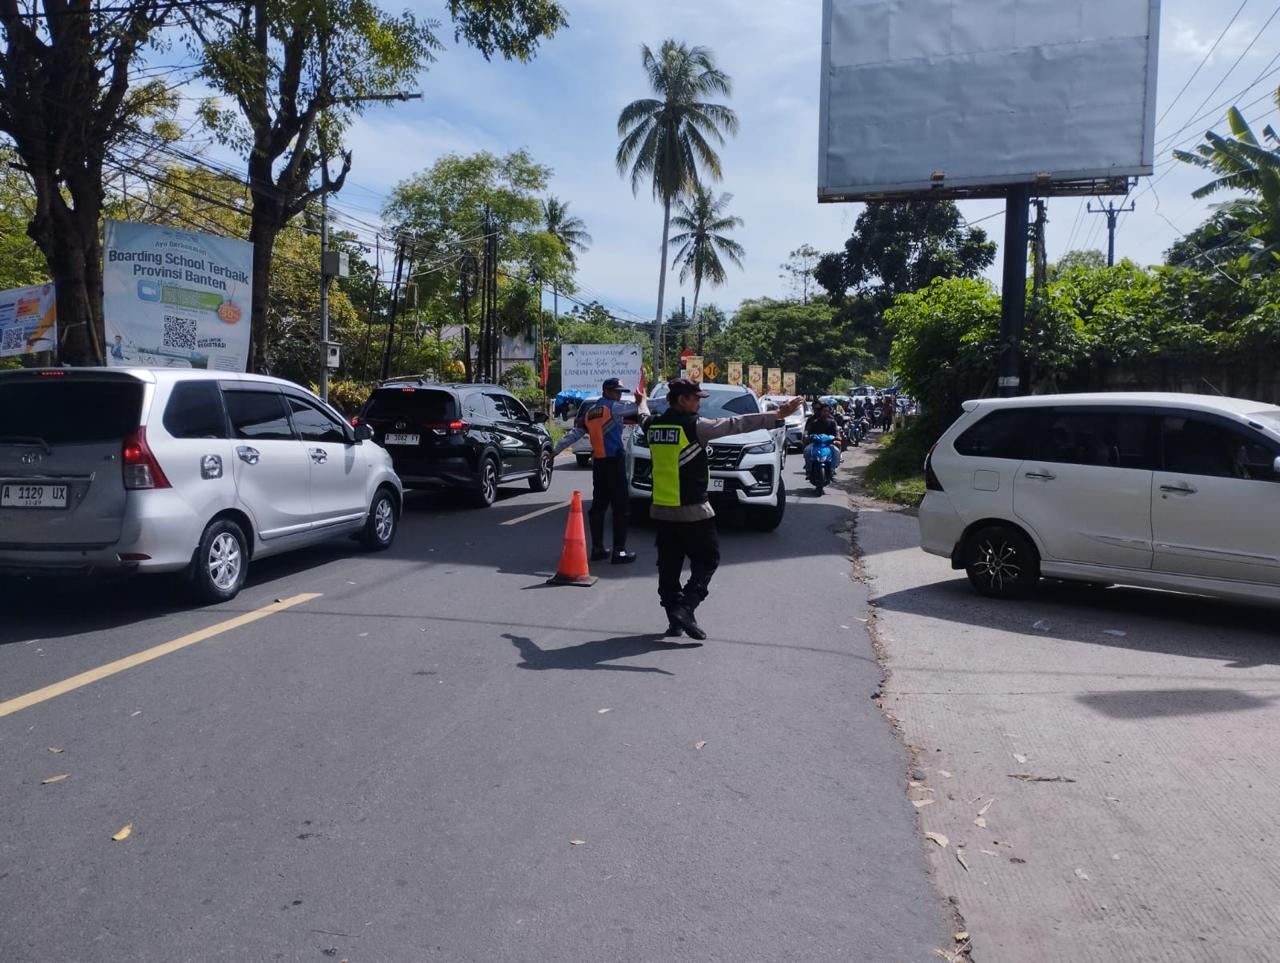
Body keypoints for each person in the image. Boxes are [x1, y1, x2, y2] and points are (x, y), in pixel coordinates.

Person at [644, 379, 804, 640]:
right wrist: (777, 414)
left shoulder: (653, 426)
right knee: (708, 559)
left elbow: (642, 415)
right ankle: (686, 607)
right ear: (682, 400)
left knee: (669, 567)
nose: (699, 404)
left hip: (661, 509)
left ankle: (674, 618)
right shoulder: (695, 426)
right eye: (696, 398)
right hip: (693, 510)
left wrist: (641, 401)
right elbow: (736, 424)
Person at [552, 377, 650, 564]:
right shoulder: (614, 408)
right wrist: (645, 401)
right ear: (606, 391)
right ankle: (619, 552)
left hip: (599, 463)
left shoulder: (590, 412)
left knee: (599, 506)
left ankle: (597, 549)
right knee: (621, 507)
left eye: (620, 392)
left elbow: (574, 434)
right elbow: (642, 408)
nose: (619, 395)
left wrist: (555, 451)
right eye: (616, 392)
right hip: (614, 462)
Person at [803, 402, 842, 474]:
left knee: (836, 451)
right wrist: (806, 435)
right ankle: (809, 469)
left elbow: (837, 431)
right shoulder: (814, 422)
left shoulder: (832, 422)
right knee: (807, 451)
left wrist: (838, 436)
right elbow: (807, 430)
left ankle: (832, 468)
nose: (825, 413)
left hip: (829, 443)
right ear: (820, 411)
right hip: (815, 443)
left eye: (827, 411)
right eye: (824, 411)